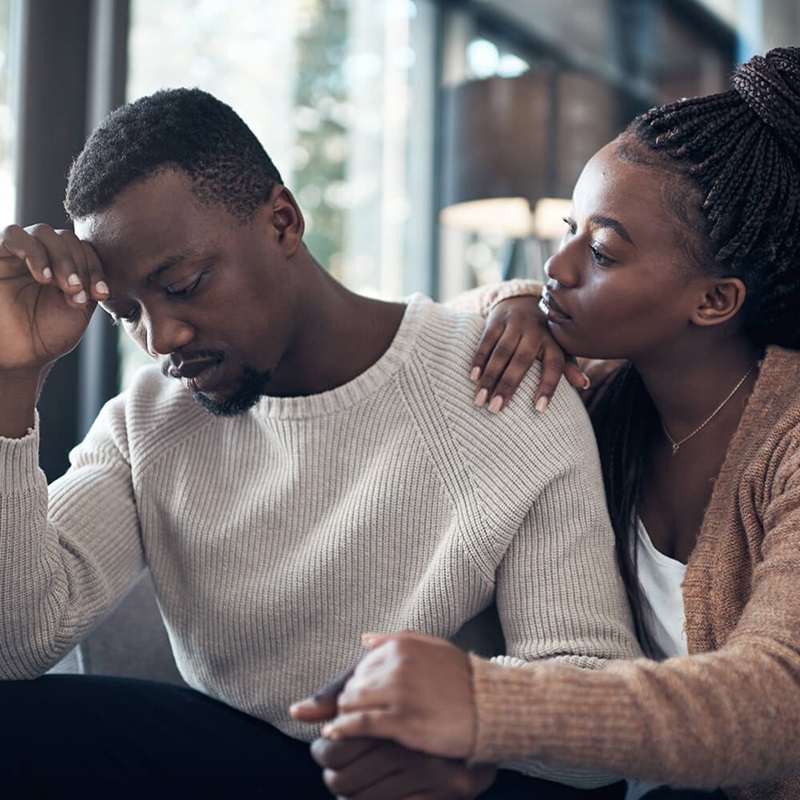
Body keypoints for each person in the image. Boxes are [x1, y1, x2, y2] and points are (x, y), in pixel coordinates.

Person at [0, 87, 642, 798]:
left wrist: (459, 720)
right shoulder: (146, 422)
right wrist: (11, 376)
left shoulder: (499, 381)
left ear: (283, 221)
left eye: (184, 284)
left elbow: (595, 717)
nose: (162, 339)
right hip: (249, 759)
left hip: (441, 775)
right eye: (126, 314)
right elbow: (17, 644)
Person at [290, 46, 800, 800]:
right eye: (569, 227)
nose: (558, 264)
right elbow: (425, 341)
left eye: (600, 251)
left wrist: (485, 703)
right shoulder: (592, 388)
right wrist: (515, 302)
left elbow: (776, 700)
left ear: (715, 301)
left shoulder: (787, 440)